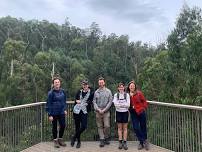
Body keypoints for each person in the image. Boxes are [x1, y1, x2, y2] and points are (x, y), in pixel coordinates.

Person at [71, 80, 94, 148]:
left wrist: (87, 102)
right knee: (77, 126)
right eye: (84, 84)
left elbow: (91, 100)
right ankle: (78, 142)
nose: (85, 86)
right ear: (82, 85)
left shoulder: (91, 92)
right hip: (77, 111)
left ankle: (74, 137)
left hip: (84, 111)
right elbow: (75, 99)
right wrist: (76, 101)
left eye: (86, 84)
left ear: (88, 85)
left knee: (84, 126)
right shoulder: (79, 91)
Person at [127, 81, 149, 150]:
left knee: (143, 126)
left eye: (133, 86)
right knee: (136, 127)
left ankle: (142, 142)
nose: (132, 87)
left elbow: (144, 101)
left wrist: (143, 108)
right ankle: (142, 140)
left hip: (141, 112)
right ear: (129, 87)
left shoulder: (139, 93)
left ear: (135, 87)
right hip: (133, 113)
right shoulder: (127, 95)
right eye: (130, 86)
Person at [46, 77, 67, 148]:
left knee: (63, 125)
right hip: (53, 113)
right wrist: (49, 115)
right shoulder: (50, 93)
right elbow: (48, 104)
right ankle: (55, 141)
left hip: (61, 112)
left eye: (58, 82)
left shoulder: (63, 91)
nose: (57, 83)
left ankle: (60, 139)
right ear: (53, 84)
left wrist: (65, 109)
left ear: (60, 83)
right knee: (54, 127)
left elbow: (64, 101)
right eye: (55, 82)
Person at [93, 77, 113, 147]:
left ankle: (106, 137)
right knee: (100, 126)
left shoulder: (108, 91)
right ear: (98, 83)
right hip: (98, 111)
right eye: (99, 82)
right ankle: (102, 139)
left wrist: (104, 110)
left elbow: (110, 101)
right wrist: (98, 109)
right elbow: (94, 101)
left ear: (104, 83)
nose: (101, 83)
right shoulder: (96, 92)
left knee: (107, 126)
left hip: (106, 111)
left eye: (102, 82)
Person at [112, 83, 130, 150]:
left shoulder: (126, 95)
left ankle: (124, 142)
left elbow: (128, 105)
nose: (121, 88)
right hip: (118, 113)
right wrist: (123, 105)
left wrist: (120, 105)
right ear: (118, 88)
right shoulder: (116, 95)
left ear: (124, 88)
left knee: (125, 128)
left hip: (125, 113)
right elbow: (115, 105)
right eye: (120, 87)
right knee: (119, 128)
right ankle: (120, 142)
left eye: (122, 87)